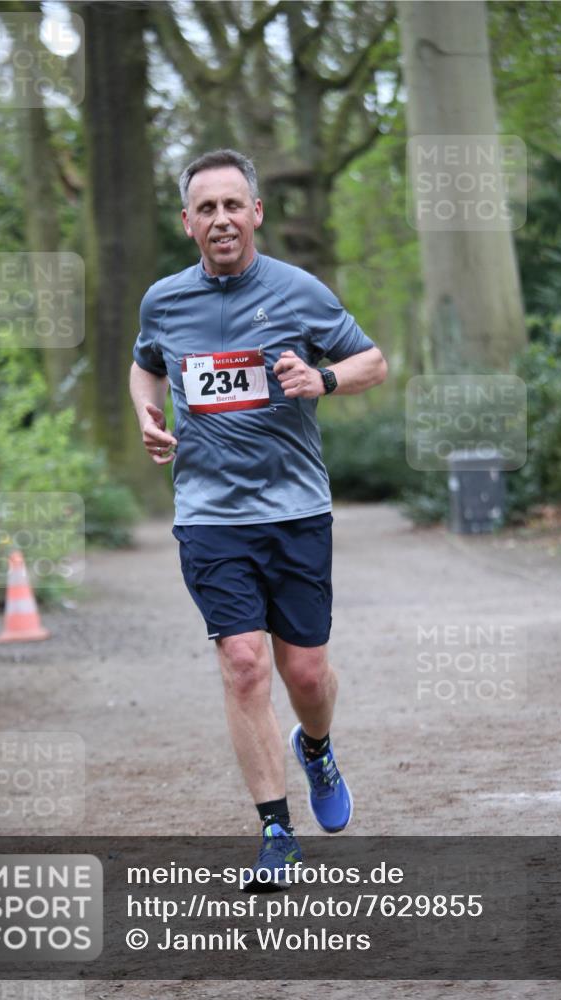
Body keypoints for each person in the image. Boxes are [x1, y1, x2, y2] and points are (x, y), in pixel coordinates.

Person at [130, 149, 387, 889]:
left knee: (304, 672)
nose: (221, 220)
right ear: (187, 222)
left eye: (232, 205)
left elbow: (373, 361)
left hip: (295, 509)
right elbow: (146, 363)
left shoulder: (298, 291)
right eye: (206, 208)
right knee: (243, 664)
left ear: (256, 213)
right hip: (209, 516)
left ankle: (317, 748)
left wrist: (323, 377)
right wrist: (146, 415)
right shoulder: (163, 301)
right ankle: (276, 829)